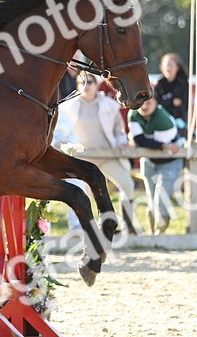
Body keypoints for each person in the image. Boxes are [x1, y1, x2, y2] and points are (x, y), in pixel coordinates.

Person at [57, 74, 140, 234]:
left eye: (90, 82)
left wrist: (122, 141)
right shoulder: (68, 106)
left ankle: (128, 224)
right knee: (83, 191)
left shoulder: (109, 105)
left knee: (127, 184)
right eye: (82, 82)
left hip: (106, 156)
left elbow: (119, 130)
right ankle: (86, 228)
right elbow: (60, 131)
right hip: (81, 159)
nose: (86, 85)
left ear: (97, 85)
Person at [128, 97, 183, 235]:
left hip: (170, 162)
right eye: (141, 102)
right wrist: (159, 145)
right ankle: (153, 235)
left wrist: (157, 145)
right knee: (151, 198)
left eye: (148, 102)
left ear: (156, 103)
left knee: (160, 197)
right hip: (149, 160)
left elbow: (147, 143)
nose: (144, 106)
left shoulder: (163, 120)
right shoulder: (133, 114)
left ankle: (160, 234)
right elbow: (141, 140)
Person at [153, 52, 189, 131]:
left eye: (171, 66)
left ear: (177, 68)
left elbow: (185, 104)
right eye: (166, 66)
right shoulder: (159, 84)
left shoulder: (182, 83)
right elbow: (156, 104)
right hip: (162, 120)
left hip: (179, 120)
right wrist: (172, 102)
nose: (169, 68)